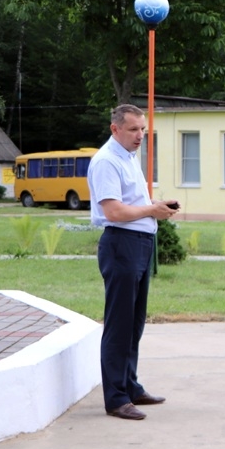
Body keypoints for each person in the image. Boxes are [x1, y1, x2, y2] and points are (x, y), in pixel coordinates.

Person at [87, 104, 179, 421]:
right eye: (134, 130)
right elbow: (113, 212)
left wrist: (155, 206)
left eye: (143, 129)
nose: (141, 135)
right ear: (115, 129)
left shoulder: (128, 158)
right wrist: (152, 211)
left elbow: (132, 205)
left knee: (135, 323)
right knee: (119, 324)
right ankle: (115, 398)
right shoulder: (106, 162)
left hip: (139, 244)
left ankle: (130, 386)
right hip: (121, 244)